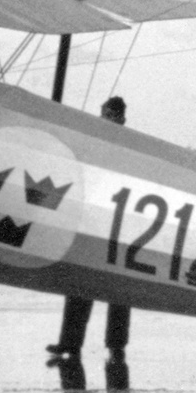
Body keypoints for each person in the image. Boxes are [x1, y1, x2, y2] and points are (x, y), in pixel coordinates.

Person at [48, 96, 132, 363]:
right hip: (93, 220)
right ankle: (70, 343)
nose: (105, 118)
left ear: (120, 118)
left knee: (118, 288)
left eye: (110, 114)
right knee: (81, 282)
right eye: (103, 114)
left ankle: (116, 345)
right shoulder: (94, 144)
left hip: (118, 223)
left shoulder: (128, 148)